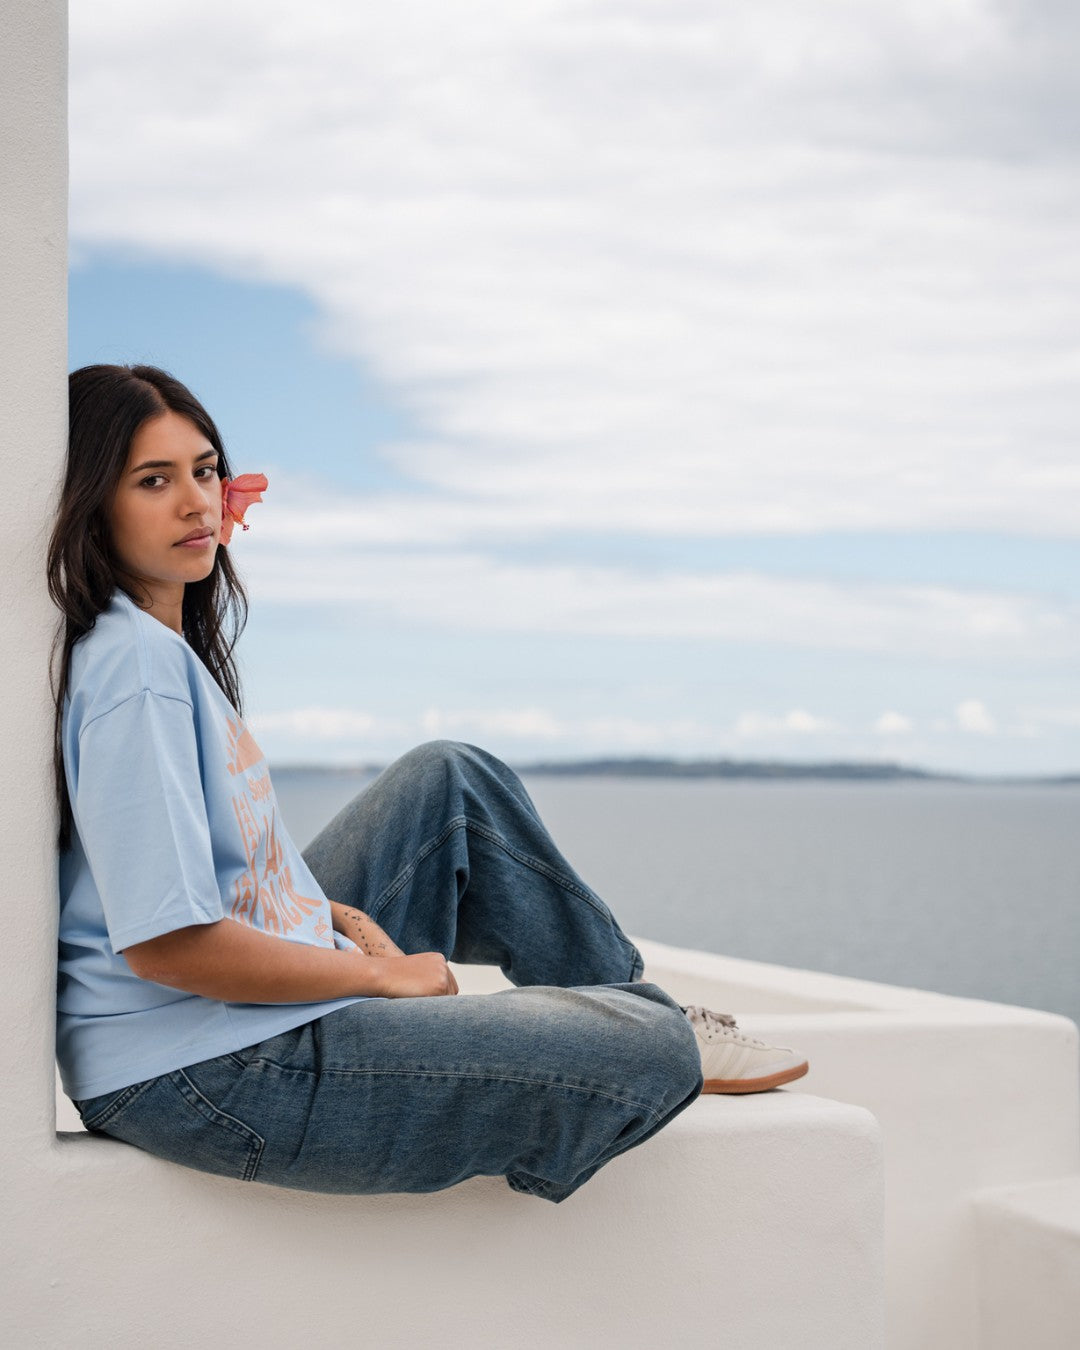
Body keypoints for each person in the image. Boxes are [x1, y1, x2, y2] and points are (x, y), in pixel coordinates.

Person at [49, 363, 809, 1203]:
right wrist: (380, 975)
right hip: (203, 1072)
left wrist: (316, 913)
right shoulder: (136, 671)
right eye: (153, 481)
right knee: (649, 1048)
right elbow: (166, 944)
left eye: (203, 471)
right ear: (93, 503)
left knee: (450, 780)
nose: (196, 503)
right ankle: (657, 1023)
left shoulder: (156, 649)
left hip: (218, 1025)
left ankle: (631, 996)